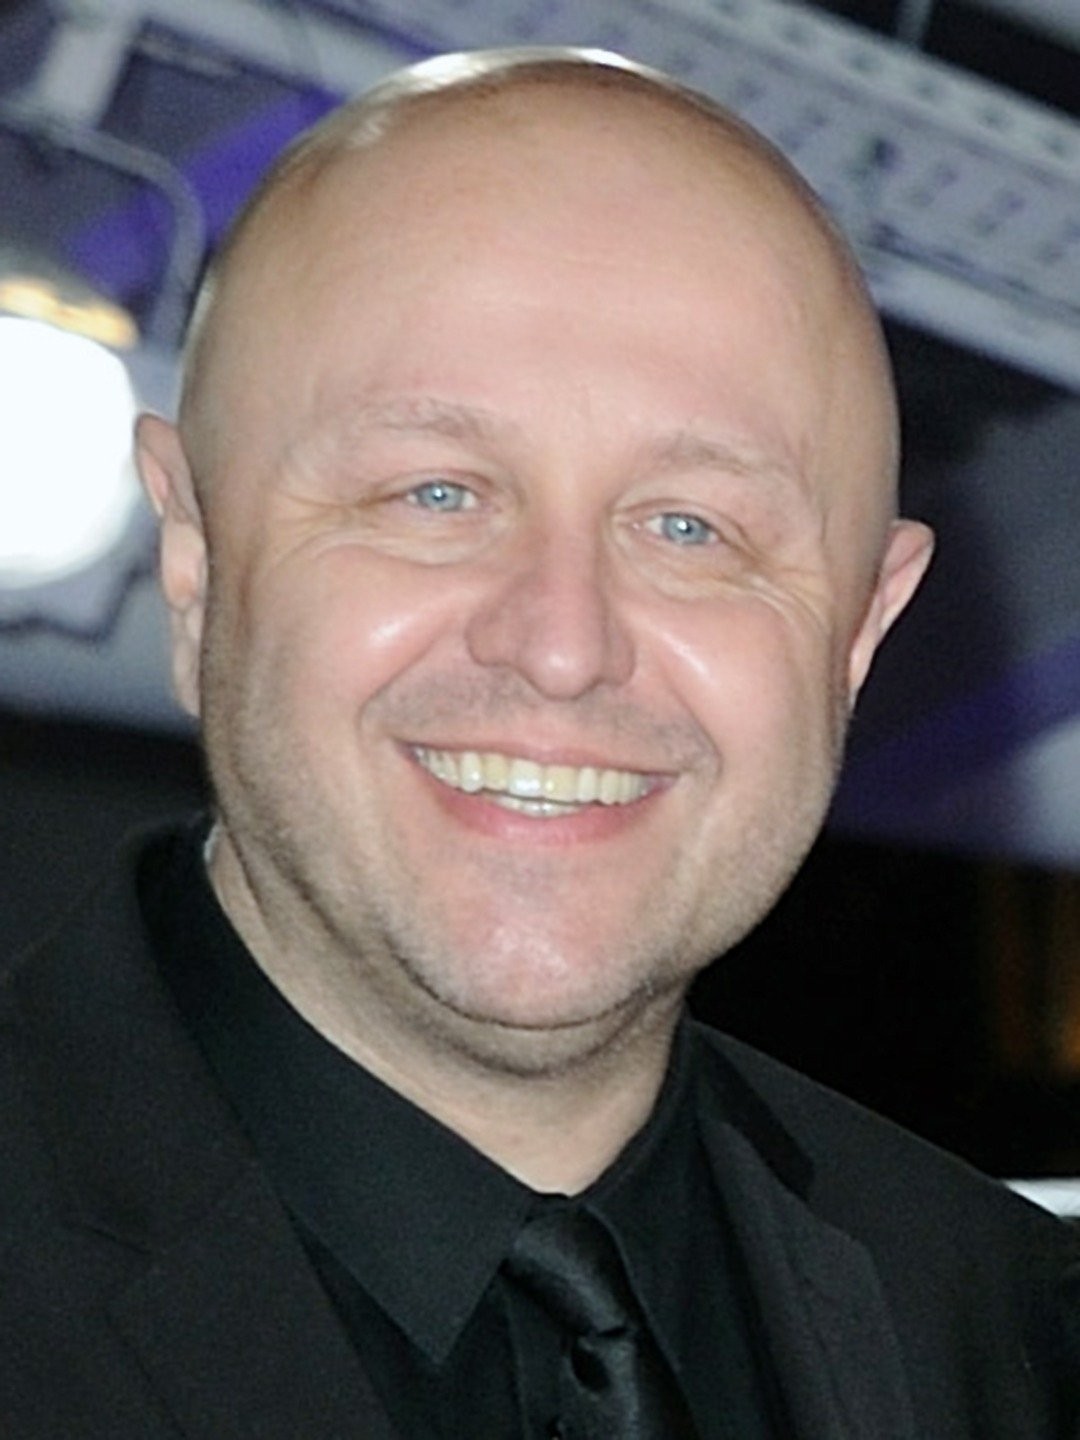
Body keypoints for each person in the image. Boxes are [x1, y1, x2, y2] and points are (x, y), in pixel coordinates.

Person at [1, 47, 1075, 1439]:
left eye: (691, 527)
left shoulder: (1017, 1338)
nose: (563, 643)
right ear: (194, 555)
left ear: (862, 629)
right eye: (437, 493)